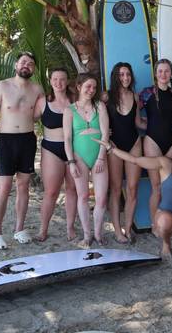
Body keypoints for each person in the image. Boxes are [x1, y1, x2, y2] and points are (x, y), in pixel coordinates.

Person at [0, 52, 44, 250]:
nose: (26, 65)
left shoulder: (37, 89)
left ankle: (19, 229)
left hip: (27, 140)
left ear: (33, 69)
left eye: (30, 63)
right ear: (16, 65)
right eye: (23, 62)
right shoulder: (2, 85)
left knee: (24, 186)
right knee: (4, 186)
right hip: (6, 141)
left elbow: (38, 115)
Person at [63, 73, 110, 247]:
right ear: (79, 87)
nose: (91, 90)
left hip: (99, 155)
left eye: (94, 87)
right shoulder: (69, 110)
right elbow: (67, 139)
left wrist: (100, 158)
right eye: (88, 86)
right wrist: (71, 162)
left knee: (101, 198)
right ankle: (86, 235)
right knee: (82, 196)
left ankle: (98, 233)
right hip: (79, 156)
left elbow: (105, 133)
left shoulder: (100, 106)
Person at [34, 67, 77, 242]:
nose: (59, 83)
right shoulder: (42, 102)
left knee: (72, 189)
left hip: (74, 149)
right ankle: (43, 229)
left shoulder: (75, 100)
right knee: (51, 192)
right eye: (55, 79)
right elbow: (26, 120)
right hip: (51, 149)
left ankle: (70, 227)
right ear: (50, 81)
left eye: (62, 79)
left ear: (67, 81)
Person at [105, 63, 146, 243]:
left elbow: (138, 123)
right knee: (115, 189)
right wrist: (103, 133)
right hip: (114, 147)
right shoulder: (106, 97)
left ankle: (128, 228)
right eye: (121, 75)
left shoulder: (135, 96)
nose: (125, 78)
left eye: (128, 74)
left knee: (132, 188)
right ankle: (117, 230)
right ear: (115, 76)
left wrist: (160, 125)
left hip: (134, 144)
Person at [140, 59, 172, 223]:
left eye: (167, 71)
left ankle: (170, 222)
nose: (163, 74)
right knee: (156, 187)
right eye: (160, 71)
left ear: (171, 73)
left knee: (170, 187)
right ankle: (154, 223)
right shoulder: (146, 93)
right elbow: (129, 110)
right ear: (155, 74)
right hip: (152, 142)